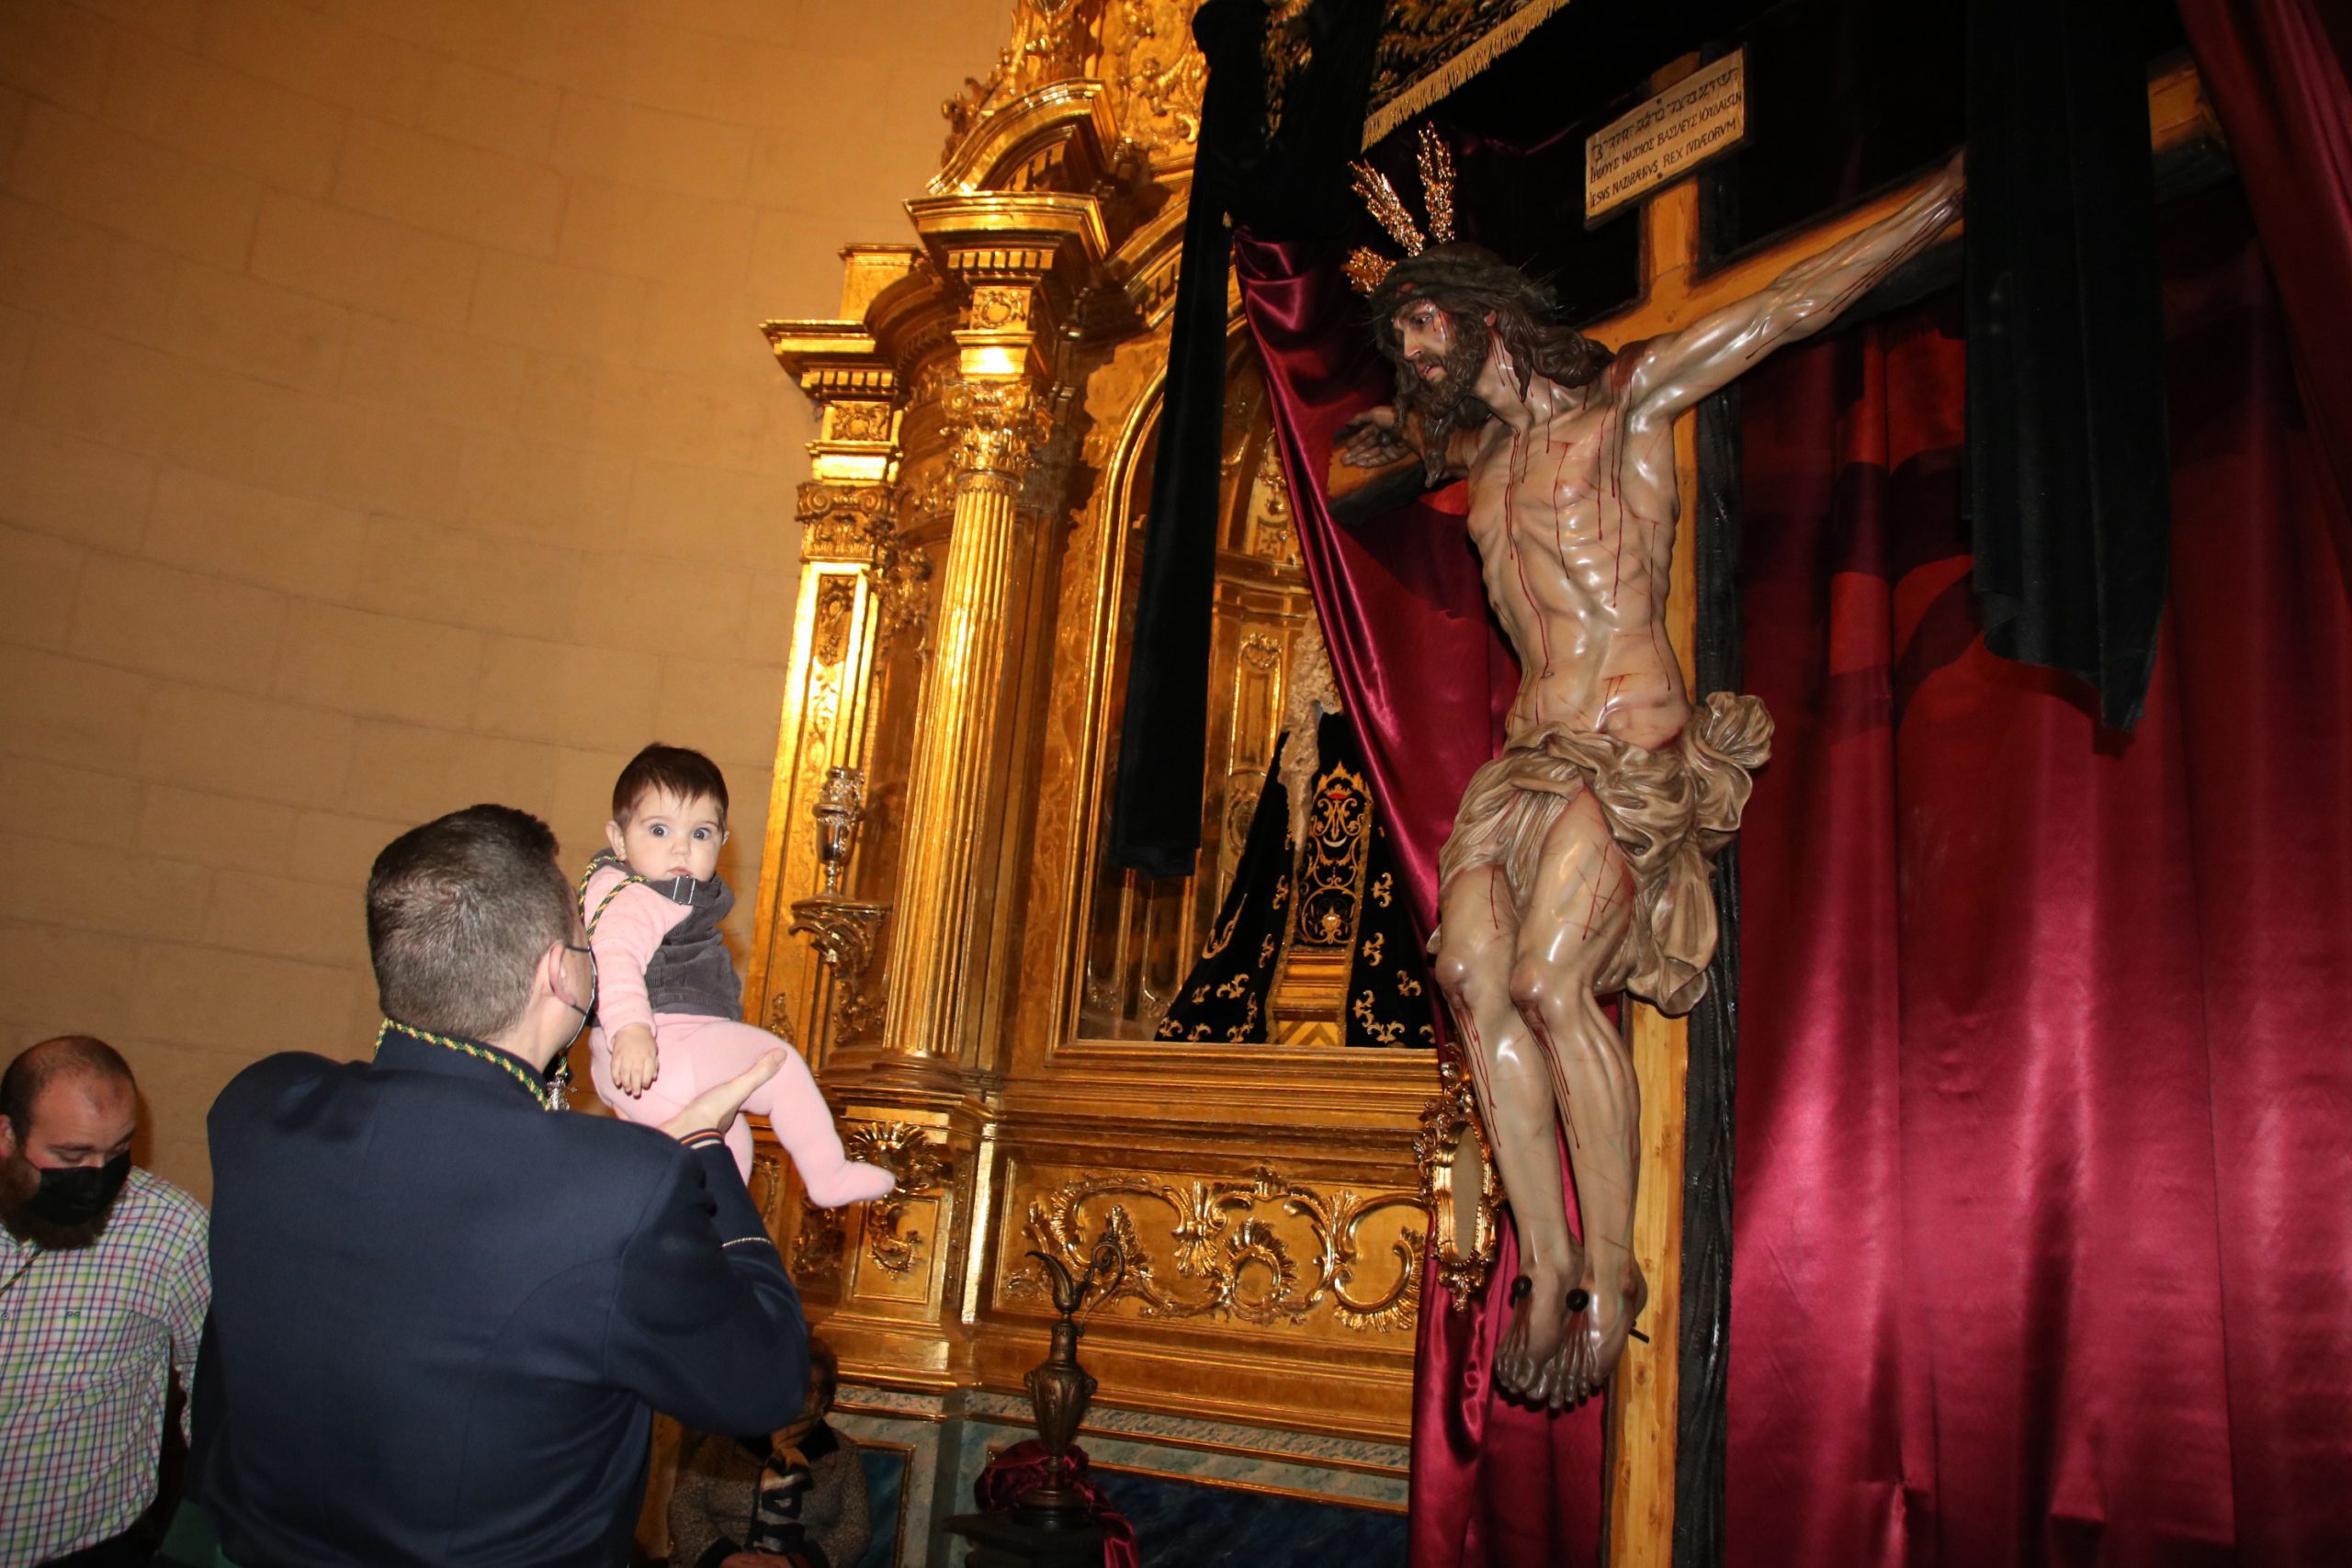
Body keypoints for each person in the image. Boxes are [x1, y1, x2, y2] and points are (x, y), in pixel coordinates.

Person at [1340, 154, 1966, 1405]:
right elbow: (1362, 448)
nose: (1412, 349)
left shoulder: (1625, 405)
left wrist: (1937, 206)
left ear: (1484, 314)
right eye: (1399, 330)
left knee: (1546, 978)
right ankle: (1546, 1252)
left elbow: (1788, 307)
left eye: (1423, 320)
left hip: (1627, 748)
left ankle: (1610, 1270)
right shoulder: (1483, 467)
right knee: (1471, 980)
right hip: (1524, 765)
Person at [187, 804, 809, 1566]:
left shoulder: (259, 1106)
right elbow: (766, 1384)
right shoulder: (626, 1187)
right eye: (588, 942)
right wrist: (706, 1147)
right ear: (560, 969)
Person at [582, 743, 892, 1201]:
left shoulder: (658, 892)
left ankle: (705, 1239)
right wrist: (630, 1031)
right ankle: (828, 1173)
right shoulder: (637, 897)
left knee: (729, 1148)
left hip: (654, 1064)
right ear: (620, 838)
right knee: (779, 1065)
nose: (681, 847)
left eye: (701, 833)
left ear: (723, 843)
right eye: (660, 829)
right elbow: (616, 958)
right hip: (660, 1045)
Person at [0, 1036, 209, 1567]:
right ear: (6, 1133)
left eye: (117, 1152)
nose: (98, 1177)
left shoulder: (171, 1230)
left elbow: (210, 1385)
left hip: (86, 1550)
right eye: (72, 1155)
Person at [666, 1338, 872, 1568]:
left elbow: (855, 1530)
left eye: (807, 1389)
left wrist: (797, 1563)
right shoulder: (727, 1439)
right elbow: (685, 1504)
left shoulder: (841, 1453)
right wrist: (723, 1556)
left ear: (823, 1400)